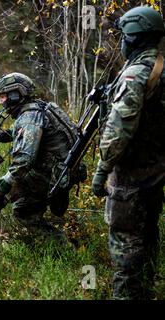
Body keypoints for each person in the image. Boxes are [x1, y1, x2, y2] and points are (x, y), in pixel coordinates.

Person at [0, 72, 86, 243]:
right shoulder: (40, 108)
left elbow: (23, 163)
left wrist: (4, 187)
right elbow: (35, 135)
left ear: (15, 94)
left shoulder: (29, 118)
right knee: (24, 211)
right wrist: (6, 135)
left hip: (47, 175)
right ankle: (62, 244)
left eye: (3, 96)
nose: (1, 101)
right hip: (60, 173)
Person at [91, 6, 165, 299]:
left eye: (123, 35)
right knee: (148, 235)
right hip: (155, 172)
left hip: (130, 176)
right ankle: (146, 290)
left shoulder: (135, 74)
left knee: (125, 244)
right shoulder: (160, 69)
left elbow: (118, 131)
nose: (121, 41)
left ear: (134, 36)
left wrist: (100, 172)